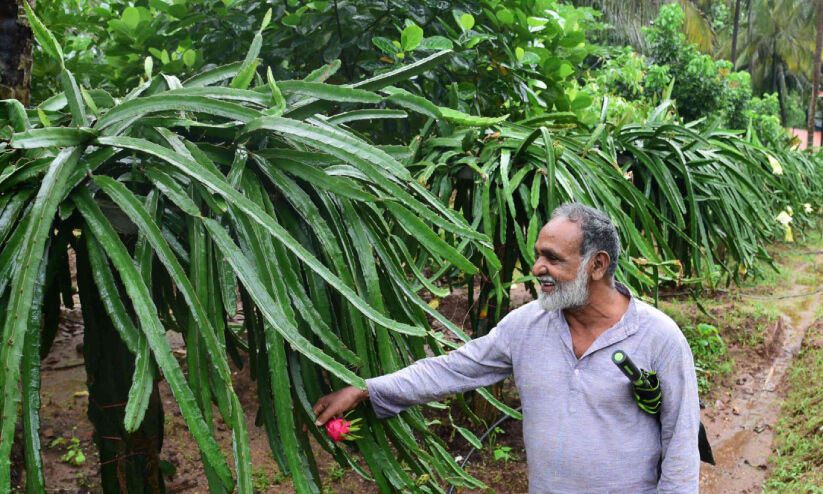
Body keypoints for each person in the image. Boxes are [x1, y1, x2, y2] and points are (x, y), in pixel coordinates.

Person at [312, 202, 700, 493]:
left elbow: (681, 444)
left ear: (597, 265)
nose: (537, 268)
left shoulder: (658, 337)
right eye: (538, 255)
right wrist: (366, 389)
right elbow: (452, 369)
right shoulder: (526, 327)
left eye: (552, 258)